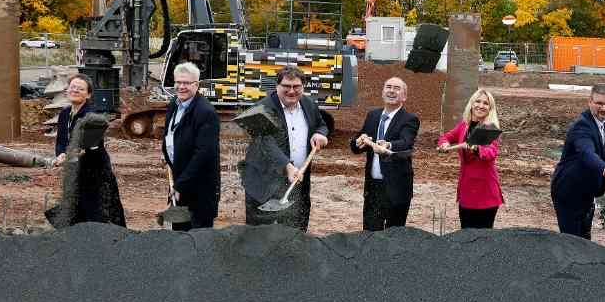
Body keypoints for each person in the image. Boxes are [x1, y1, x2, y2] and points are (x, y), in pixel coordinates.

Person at [242, 65, 329, 230]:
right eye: (286, 86)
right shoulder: (262, 109)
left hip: (298, 181)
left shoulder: (308, 104)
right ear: (277, 86)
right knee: (262, 236)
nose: (291, 91)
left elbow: (322, 125)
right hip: (265, 184)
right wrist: (287, 167)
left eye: (296, 87)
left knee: (296, 232)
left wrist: (320, 134)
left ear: (303, 87)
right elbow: (265, 142)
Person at [551, 84, 605, 239]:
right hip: (569, 191)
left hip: (588, 190)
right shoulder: (581, 126)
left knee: (585, 237)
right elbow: (586, 153)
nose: (603, 108)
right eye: (599, 103)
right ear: (590, 102)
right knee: (572, 240)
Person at [50, 73, 126, 227]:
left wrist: (69, 155)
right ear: (67, 90)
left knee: (97, 212)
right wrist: (60, 154)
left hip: (95, 171)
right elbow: (61, 141)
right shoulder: (65, 114)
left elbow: (87, 147)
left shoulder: (93, 116)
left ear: (88, 94)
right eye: (73, 87)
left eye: (80, 88)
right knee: (74, 208)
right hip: (74, 170)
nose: (75, 90)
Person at [350, 77, 420, 230]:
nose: (391, 91)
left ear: (404, 96)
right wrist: (358, 141)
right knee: (370, 234)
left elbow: (406, 142)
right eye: (388, 87)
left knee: (393, 235)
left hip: (396, 188)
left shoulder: (410, 119)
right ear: (383, 92)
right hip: (373, 188)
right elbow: (357, 144)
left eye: (396, 88)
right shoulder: (373, 116)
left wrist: (388, 145)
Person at [161, 62, 221, 231]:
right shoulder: (175, 103)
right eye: (178, 82)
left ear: (197, 85)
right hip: (179, 179)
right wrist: (166, 154)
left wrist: (180, 186)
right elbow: (170, 133)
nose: (181, 87)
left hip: (198, 189)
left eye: (186, 83)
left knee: (196, 238)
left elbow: (203, 154)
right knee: (177, 233)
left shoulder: (205, 112)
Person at [437, 89, 505, 229]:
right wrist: (444, 143)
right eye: (478, 101)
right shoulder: (464, 125)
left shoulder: (490, 129)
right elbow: (446, 137)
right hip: (466, 190)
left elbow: (490, 152)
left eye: (485, 103)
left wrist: (473, 147)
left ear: (490, 109)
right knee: (466, 234)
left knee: (482, 237)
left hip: (485, 193)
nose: (480, 105)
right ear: (471, 104)